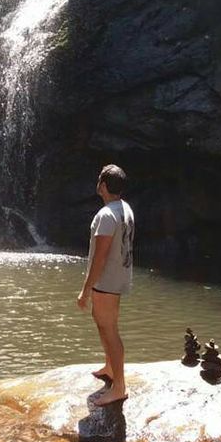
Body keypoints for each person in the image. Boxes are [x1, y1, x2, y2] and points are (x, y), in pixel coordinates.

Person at [77, 164, 134, 406]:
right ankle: (110, 368)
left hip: (106, 281)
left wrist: (85, 289)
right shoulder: (125, 209)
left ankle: (119, 387)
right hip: (118, 278)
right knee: (105, 324)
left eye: (99, 179)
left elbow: (99, 257)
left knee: (109, 329)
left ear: (103, 185)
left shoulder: (105, 215)